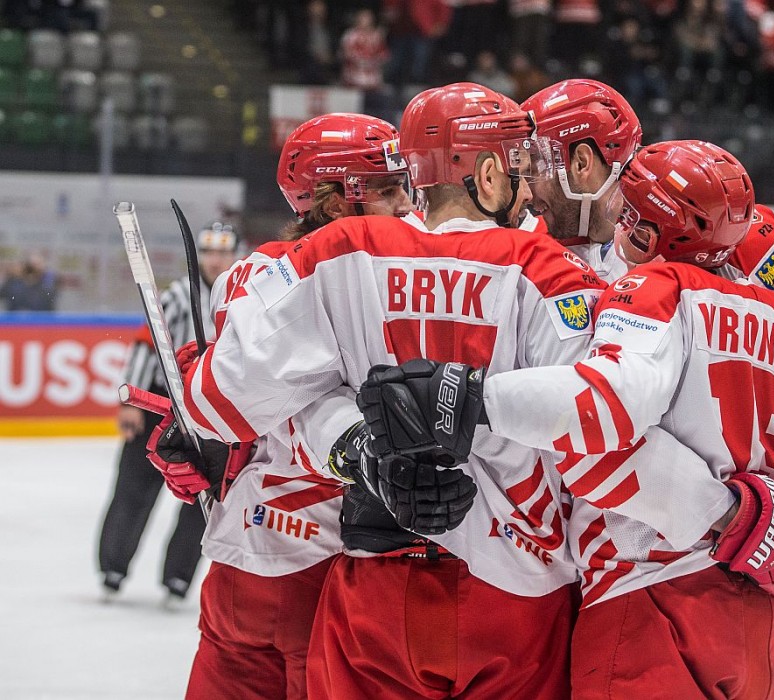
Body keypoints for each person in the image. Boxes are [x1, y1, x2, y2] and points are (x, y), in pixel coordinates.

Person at [358, 141, 774, 697]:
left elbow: (601, 427)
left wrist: (468, 401)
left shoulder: (652, 286)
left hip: (645, 605)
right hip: (764, 629)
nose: (530, 181)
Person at [176, 83, 603, 699]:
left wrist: (203, 389)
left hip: (373, 580)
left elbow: (217, 401)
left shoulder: (335, 254)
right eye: (517, 167)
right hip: (518, 587)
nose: (529, 188)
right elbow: (597, 423)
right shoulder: (549, 268)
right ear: (487, 175)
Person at [141, 113, 414, 700]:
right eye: (387, 190)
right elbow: (243, 406)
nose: (406, 204)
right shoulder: (364, 276)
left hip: (249, 550)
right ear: (333, 201)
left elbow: (231, 404)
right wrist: (203, 437)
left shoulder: (252, 274)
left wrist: (201, 428)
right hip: (325, 564)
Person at [97, 222, 240, 603]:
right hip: (161, 405)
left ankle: (179, 577)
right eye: (208, 251)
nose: (215, 259)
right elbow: (147, 344)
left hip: (214, 413)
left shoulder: (243, 299)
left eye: (222, 252)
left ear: (235, 255)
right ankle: (113, 567)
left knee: (202, 496)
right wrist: (132, 402)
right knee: (133, 488)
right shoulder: (178, 295)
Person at [520, 78, 640, 280]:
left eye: (534, 171)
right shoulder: (526, 245)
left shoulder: (667, 258)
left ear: (582, 164)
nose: (527, 194)